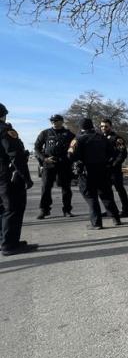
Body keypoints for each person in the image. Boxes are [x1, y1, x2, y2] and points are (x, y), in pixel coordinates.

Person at [68, 118, 122, 230]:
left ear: (81, 127)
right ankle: (116, 219)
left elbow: (71, 155)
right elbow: (113, 152)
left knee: (90, 197)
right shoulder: (102, 137)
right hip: (103, 170)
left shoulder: (78, 139)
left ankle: (96, 223)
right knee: (107, 195)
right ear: (92, 126)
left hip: (87, 172)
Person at [0, 103, 37, 256]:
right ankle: (10, 244)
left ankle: (4, 240)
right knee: (12, 208)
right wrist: (26, 178)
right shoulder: (5, 131)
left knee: (1, 208)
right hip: (7, 176)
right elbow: (15, 155)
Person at [34, 114, 75, 219]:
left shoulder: (68, 134)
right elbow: (37, 148)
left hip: (64, 163)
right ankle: (44, 210)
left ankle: (67, 210)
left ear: (61, 121)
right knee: (46, 187)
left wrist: (70, 158)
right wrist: (44, 159)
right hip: (49, 163)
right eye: (52, 121)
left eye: (56, 120)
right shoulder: (45, 133)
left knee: (66, 188)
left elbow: (75, 146)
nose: (53, 122)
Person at [99, 119, 128, 217]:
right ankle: (111, 210)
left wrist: (115, 163)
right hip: (104, 170)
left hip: (114, 170)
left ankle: (126, 210)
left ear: (110, 127)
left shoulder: (117, 138)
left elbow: (123, 153)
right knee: (107, 191)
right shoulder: (99, 138)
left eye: (106, 126)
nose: (104, 128)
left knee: (120, 189)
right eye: (102, 126)